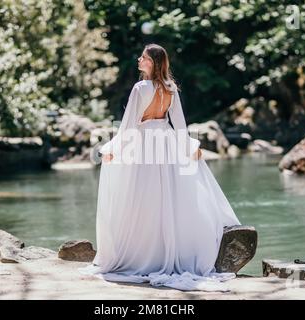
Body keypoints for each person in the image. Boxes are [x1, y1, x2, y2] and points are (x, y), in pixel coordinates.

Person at [79, 44, 241, 291]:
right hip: (165, 143)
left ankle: (145, 255)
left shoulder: (140, 88)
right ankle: (166, 253)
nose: (138, 60)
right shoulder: (171, 88)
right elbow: (179, 124)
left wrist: (112, 149)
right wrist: (189, 146)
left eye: (143, 57)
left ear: (152, 62)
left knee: (142, 200)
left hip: (144, 144)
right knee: (168, 199)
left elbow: (129, 126)